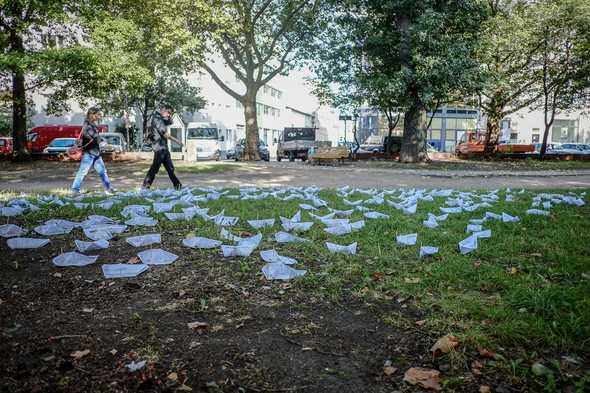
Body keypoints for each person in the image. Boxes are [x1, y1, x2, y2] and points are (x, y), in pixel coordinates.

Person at [71, 107, 115, 195]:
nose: (99, 116)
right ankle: (75, 190)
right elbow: (94, 135)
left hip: (96, 153)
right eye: (97, 114)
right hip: (89, 153)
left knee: (102, 171)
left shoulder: (92, 124)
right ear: (92, 114)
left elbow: (96, 136)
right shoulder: (87, 124)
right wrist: (102, 143)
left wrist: (102, 142)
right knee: (82, 172)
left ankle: (109, 188)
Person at [142, 104, 183, 190]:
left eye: (170, 113)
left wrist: (171, 114)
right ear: (163, 109)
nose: (168, 114)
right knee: (154, 169)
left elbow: (171, 122)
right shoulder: (157, 119)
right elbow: (165, 134)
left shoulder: (161, 118)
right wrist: (178, 141)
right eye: (168, 112)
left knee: (170, 168)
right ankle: (145, 187)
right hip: (159, 148)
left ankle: (178, 185)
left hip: (163, 147)